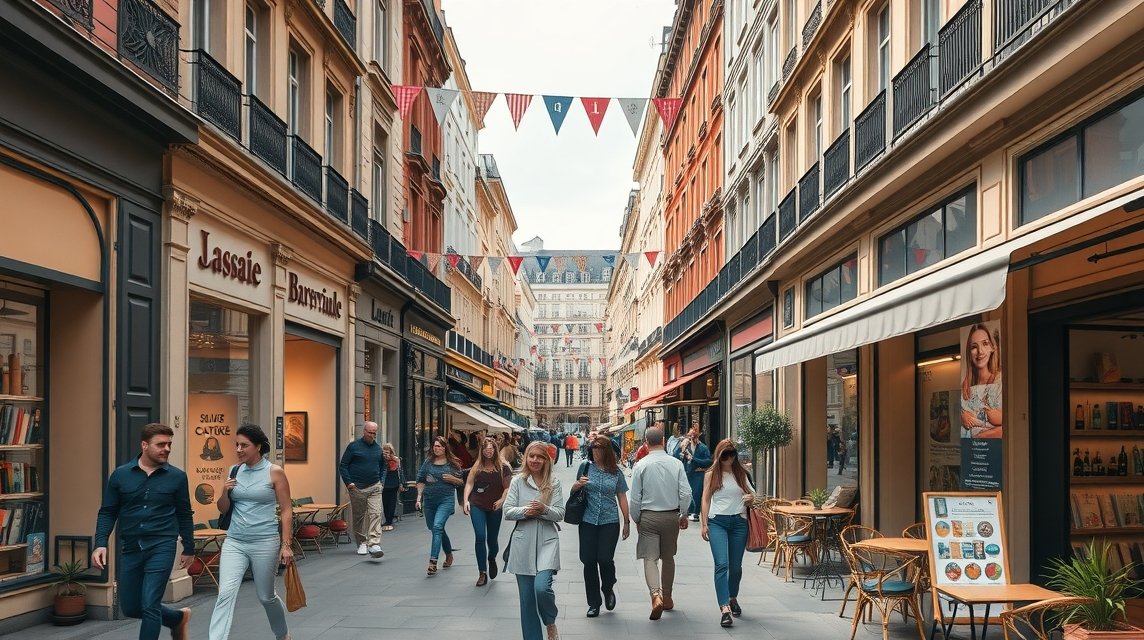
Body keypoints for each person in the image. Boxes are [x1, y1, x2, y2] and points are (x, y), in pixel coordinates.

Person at [93, 423, 194, 640]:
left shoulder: (177, 477)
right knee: (131, 607)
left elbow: (184, 513)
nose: (166, 449)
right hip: (131, 547)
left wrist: (189, 547)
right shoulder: (120, 475)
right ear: (144, 445)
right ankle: (176, 619)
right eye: (161, 444)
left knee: (150, 604)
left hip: (162, 545)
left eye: (169, 444)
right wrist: (100, 543)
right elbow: (108, 511)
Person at [209, 424, 293, 640]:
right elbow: (223, 509)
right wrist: (225, 492)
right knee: (225, 594)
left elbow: (286, 510)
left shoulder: (274, 472)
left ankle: (282, 634)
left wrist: (286, 546)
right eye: (236, 445)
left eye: (244, 445)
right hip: (235, 541)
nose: (238, 449)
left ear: (258, 446)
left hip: (265, 542)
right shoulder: (233, 470)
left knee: (266, 596)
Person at [504, 441, 565, 640]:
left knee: (542, 588)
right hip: (522, 543)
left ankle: (549, 620)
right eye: (532, 456)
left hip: (548, 541)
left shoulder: (554, 482)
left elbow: (560, 513)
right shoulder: (518, 481)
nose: (535, 460)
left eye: (540, 456)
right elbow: (507, 511)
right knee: (527, 601)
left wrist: (544, 510)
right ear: (526, 458)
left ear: (546, 460)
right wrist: (527, 511)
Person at [629, 426, 691, 620]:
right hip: (671, 516)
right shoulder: (676, 464)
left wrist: (636, 518)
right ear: (663, 441)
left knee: (650, 558)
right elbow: (686, 493)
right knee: (668, 557)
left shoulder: (641, 465)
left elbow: (635, 498)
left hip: (648, 516)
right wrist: (683, 513)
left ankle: (655, 595)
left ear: (646, 443)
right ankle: (668, 596)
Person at [574, 435, 631, 618]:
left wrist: (627, 522)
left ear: (607, 450)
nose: (596, 450)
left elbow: (622, 496)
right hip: (588, 520)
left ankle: (608, 587)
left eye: (599, 447)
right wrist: (577, 485)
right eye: (593, 447)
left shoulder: (616, 472)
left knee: (605, 559)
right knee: (588, 561)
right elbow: (575, 491)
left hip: (609, 521)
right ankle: (594, 603)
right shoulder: (585, 467)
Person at [700, 439, 755, 628]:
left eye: (732, 454)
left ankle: (733, 598)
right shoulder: (711, 474)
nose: (729, 458)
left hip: (739, 523)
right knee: (721, 564)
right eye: (725, 455)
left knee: (736, 567)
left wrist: (751, 497)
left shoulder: (741, 473)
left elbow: (753, 494)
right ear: (719, 455)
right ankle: (724, 608)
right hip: (717, 522)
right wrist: (704, 523)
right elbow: (705, 499)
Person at [463, 437, 512, 586]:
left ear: (495, 450)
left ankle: (491, 558)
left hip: (495, 506)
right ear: (482, 451)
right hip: (477, 504)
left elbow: (507, 487)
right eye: (485, 449)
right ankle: (482, 572)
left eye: (490, 449)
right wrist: (465, 500)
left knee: (492, 540)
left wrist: (501, 500)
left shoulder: (503, 467)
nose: (488, 452)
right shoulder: (477, 466)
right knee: (480, 536)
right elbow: (469, 483)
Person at [415, 436, 464, 576]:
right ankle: (449, 553)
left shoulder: (452, 463)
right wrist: (419, 497)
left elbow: (461, 482)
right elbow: (420, 480)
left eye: (439, 446)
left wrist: (452, 479)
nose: (436, 448)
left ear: (444, 448)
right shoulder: (428, 462)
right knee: (435, 528)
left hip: (446, 501)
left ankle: (433, 562)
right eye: (434, 446)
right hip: (429, 501)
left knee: (437, 527)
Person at [338, 420, 387, 557]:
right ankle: (362, 542)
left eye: (374, 433)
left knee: (375, 513)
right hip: (357, 487)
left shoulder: (378, 449)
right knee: (359, 517)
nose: (372, 435)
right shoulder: (353, 447)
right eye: (370, 432)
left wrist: (381, 482)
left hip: (375, 486)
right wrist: (349, 483)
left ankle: (374, 543)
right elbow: (343, 465)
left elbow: (383, 467)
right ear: (364, 431)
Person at [960, 323, 1003, 438]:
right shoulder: (965, 386)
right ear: (969, 352)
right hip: (970, 446)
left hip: (988, 447)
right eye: (974, 347)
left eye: (985, 343)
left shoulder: (1000, 381)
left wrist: (980, 436)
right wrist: (962, 416)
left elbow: (1007, 426)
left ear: (992, 347)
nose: (980, 351)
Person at [674, 427, 712, 521]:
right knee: (685, 492)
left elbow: (708, 462)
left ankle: (694, 512)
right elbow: (675, 456)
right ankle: (686, 511)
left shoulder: (703, 447)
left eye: (693, 436)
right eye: (689, 436)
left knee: (696, 493)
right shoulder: (685, 446)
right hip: (686, 473)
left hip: (697, 474)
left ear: (697, 436)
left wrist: (693, 459)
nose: (691, 438)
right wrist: (681, 447)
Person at [381, 442, 405, 531]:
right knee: (385, 502)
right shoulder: (382, 460)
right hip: (385, 484)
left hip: (394, 483)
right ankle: (387, 520)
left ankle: (389, 521)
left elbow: (400, 472)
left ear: (391, 452)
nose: (386, 454)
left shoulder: (396, 460)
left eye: (387, 452)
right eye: (384, 452)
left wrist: (401, 483)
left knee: (392, 502)